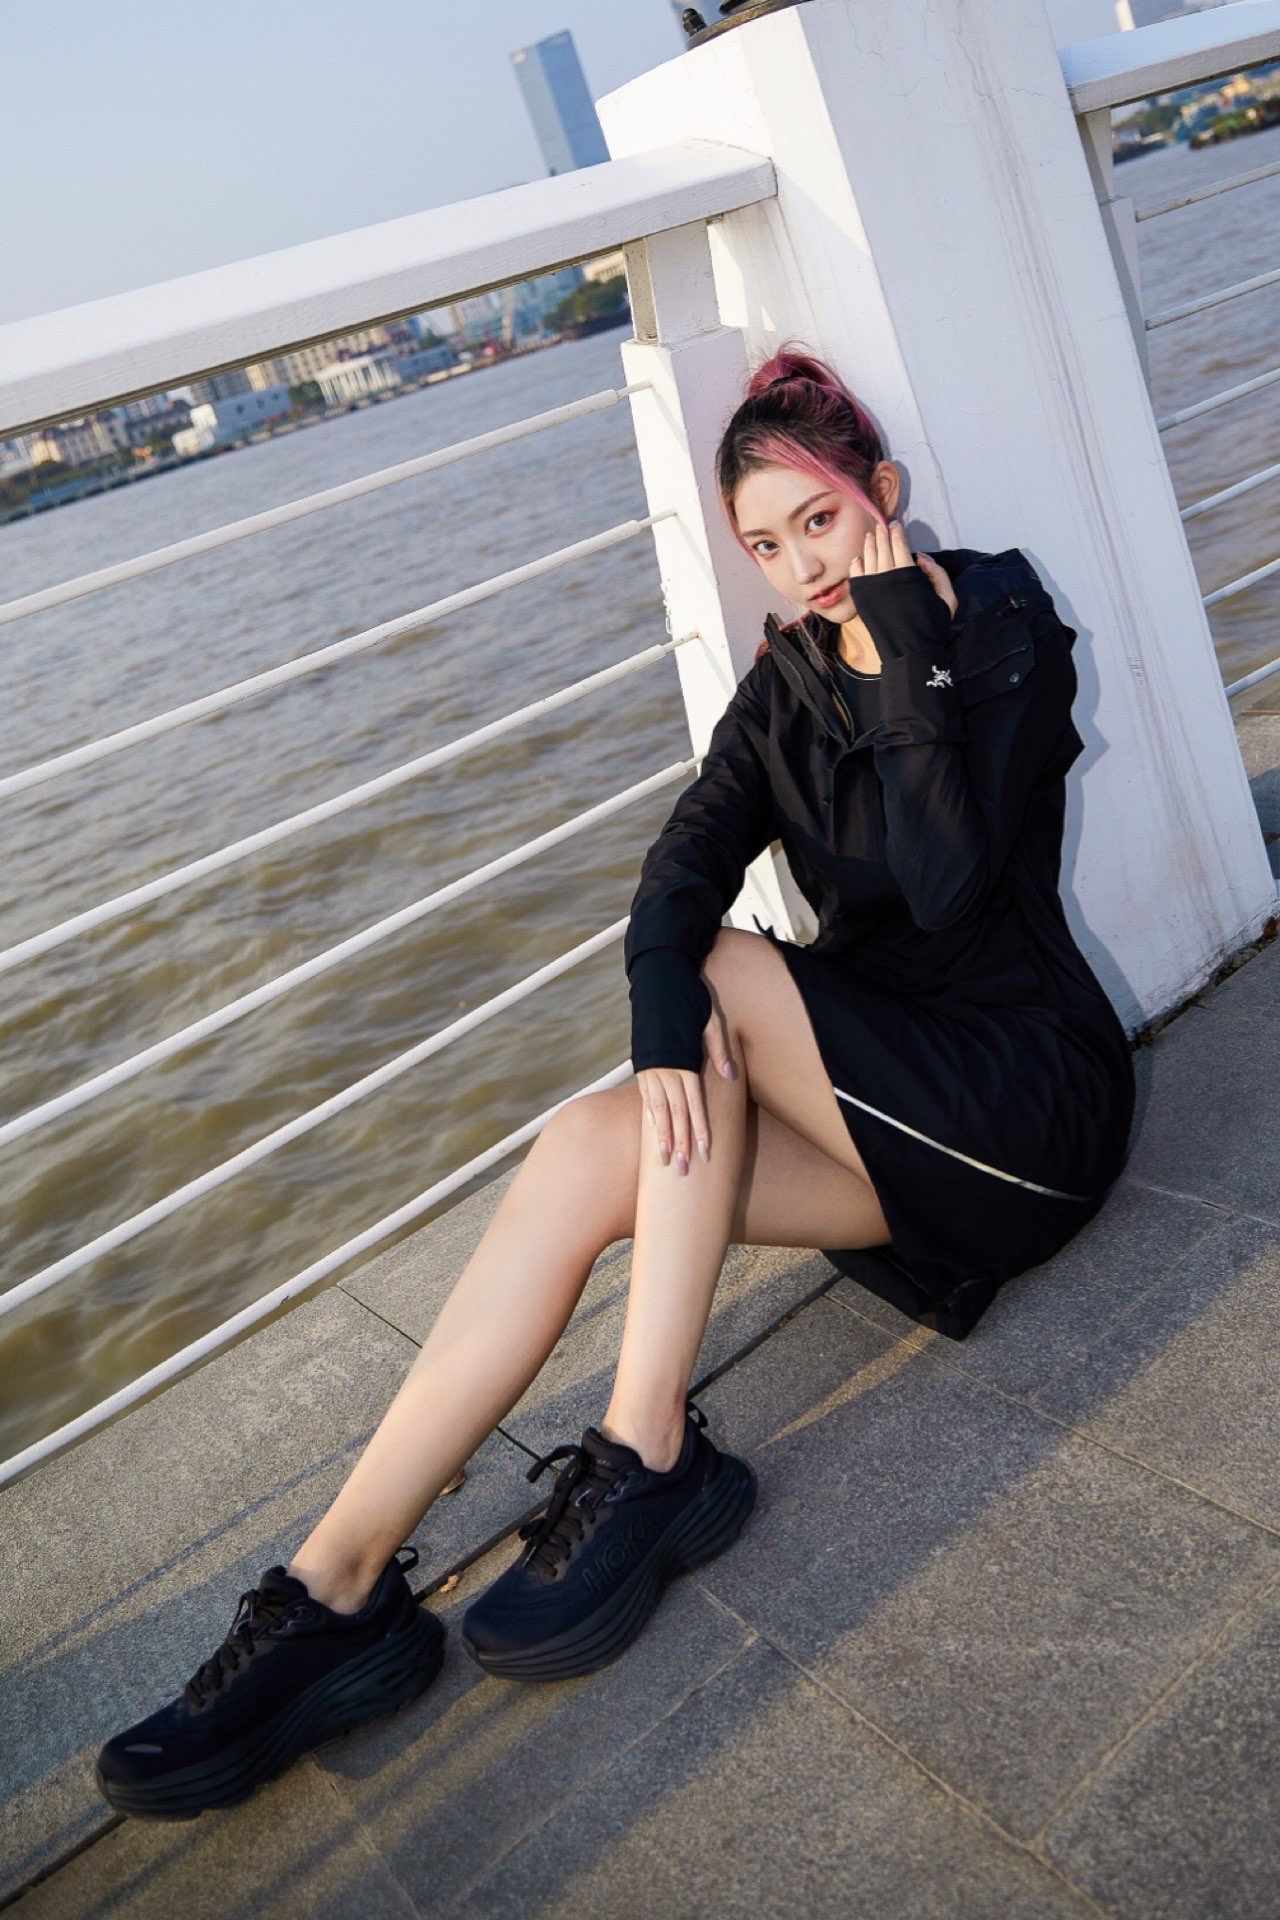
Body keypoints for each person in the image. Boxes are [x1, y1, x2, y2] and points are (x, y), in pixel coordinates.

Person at [96, 348, 1135, 1819]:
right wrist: (661, 1044)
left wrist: (906, 644)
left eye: (821, 521)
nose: (802, 567)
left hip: (1028, 1112)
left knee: (720, 973)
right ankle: (334, 1593)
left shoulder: (1005, 627)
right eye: (765, 545)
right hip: (889, 1133)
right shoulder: (786, 688)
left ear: (883, 496)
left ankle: (646, 1451)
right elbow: (677, 868)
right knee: (589, 1142)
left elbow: (952, 888)